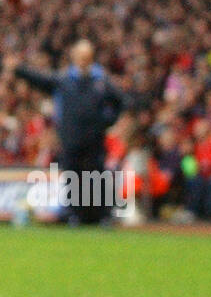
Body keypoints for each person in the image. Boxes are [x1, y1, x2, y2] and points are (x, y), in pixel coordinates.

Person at [8, 40, 128, 224]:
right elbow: (40, 79)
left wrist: (107, 121)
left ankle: (103, 215)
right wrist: (19, 69)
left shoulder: (101, 81)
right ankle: (75, 214)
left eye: (86, 56)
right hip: (71, 138)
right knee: (73, 176)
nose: (83, 60)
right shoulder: (64, 80)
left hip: (94, 138)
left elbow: (120, 102)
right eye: (80, 56)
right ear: (74, 57)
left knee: (97, 175)